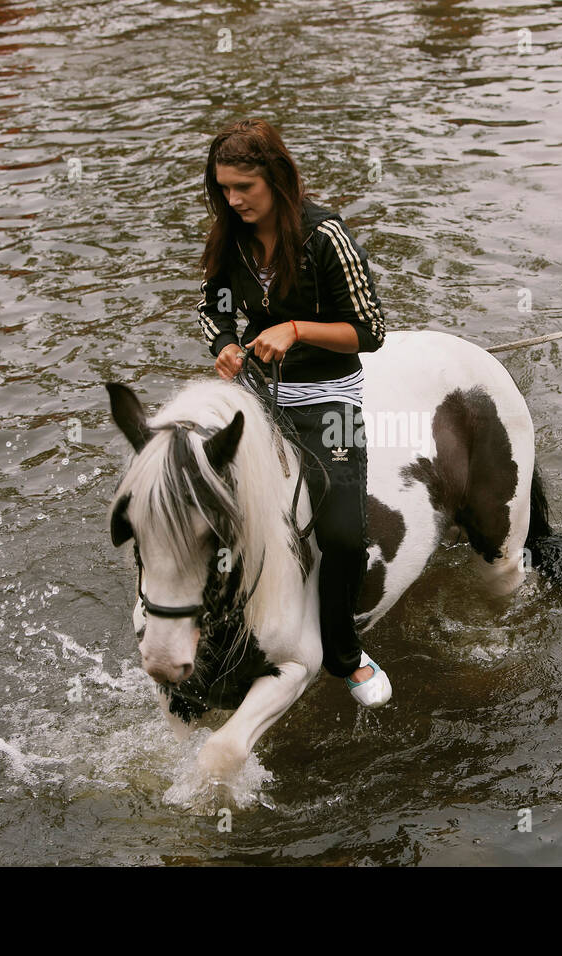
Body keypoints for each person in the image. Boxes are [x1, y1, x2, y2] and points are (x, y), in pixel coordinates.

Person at [197, 118, 392, 707]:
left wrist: (296, 329)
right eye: (223, 189)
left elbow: (371, 331)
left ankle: (341, 650)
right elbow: (213, 307)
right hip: (256, 396)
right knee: (210, 512)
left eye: (244, 189)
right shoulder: (229, 237)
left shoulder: (325, 235)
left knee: (342, 534)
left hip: (329, 398)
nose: (232, 201)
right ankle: (216, 637)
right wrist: (224, 346)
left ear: (277, 181)